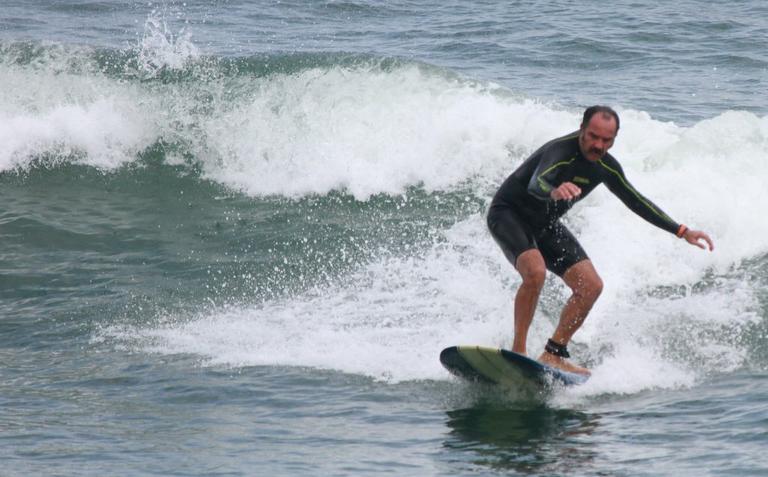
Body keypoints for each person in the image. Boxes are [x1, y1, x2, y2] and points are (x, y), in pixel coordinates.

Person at [487, 105, 714, 375]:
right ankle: (517, 352)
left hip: (544, 225)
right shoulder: (559, 151)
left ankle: (554, 354)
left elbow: (636, 200)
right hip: (509, 214)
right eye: (593, 136)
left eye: (606, 140)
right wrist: (554, 190)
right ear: (582, 129)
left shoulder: (606, 166)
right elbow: (537, 183)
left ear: (615, 139)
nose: (598, 145)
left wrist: (681, 230)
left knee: (591, 286)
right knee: (535, 271)